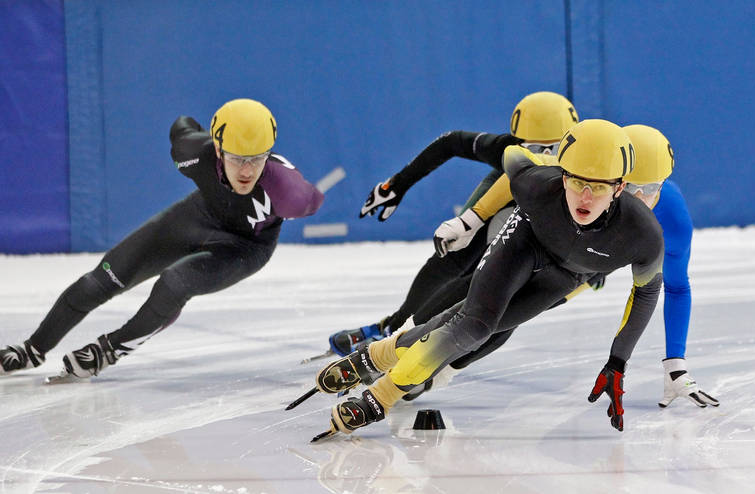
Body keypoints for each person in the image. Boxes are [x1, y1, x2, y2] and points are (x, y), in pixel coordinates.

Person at [305, 119, 664, 438]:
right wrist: (471, 219)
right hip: (526, 241)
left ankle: (374, 357)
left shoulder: (643, 234)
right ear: (562, 174)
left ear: (619, 188)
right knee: (472, 326)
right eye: (576, 181)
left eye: (598, 187)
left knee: (484, 328)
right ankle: (380, 398)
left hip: (568, 274)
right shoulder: (537, 183)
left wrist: (617, 362)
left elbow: (646, 294)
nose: (585, 196)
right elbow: (510, 156)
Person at [0, 98, 324, 379]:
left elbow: (313, 200)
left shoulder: (289, 191)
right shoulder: (193, 153)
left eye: (256, 159)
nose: (247, 171)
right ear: (218, 149)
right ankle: (32, 350)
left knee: (174, 283)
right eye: (236, 158)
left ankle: (109, 349)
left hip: (245, 247)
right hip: (197, 217)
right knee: (101, 279)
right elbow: (181, 127)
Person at [404, 124, 719, 408]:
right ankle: (402, 339)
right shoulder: (594, 163)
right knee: (478, 296)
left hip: (582, 267)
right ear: (618, 182)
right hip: (544, 234)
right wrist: (471, 220)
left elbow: (675, 288)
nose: (637, 198)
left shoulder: (672, 221)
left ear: (662, 185)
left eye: (649, 189)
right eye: (632, 186)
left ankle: (437, 370)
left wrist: (675, 365)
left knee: (507, 320)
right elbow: (521, 172)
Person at [326, 91, 580, 356]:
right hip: (504, 204)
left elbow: (451, 141)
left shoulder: (552, 161)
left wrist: (397, 185)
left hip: (539, 222)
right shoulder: (516, 153)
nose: (544, 159)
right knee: (457, 257)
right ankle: (397, 327)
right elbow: (451, 142)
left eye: (554, 151)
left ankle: (406, 334)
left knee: (490, 277)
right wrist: (398, 185)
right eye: (533, 151)